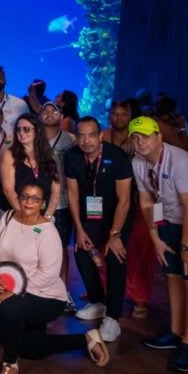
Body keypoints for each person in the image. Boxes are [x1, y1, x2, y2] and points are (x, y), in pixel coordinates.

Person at [0, 182, 110, 374]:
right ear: (18, 198)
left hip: (45, 296)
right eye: (25, 196)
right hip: (12, 286)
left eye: (35, 199)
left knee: (8, 309)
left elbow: (48, 275)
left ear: (42, 203)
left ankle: (10, 363)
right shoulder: (8, 217)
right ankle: (86, 338)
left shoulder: (47, 232)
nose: (29, 202)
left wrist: (14, 292)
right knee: (31, 350)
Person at [131, 117, 188, 372]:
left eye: (146, 136)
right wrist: (156, 239)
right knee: (172, 275)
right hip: (170, 218)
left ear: (159, 137)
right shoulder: (139, 162)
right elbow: (148, 202)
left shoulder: (179, 161)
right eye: (136, 137)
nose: (141, 142)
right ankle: (174, 331)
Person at [65, 116, 133, 341]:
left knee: (115, 257)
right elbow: (73, 194)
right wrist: (79, 229)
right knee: (81, 252)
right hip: (89, 216)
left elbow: (124, 199)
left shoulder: (116, 156)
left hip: (118, 214)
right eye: (81, 135)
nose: (86, 140)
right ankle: (98, 301)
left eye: (91, 135)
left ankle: (113, 318)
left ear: (100, 136)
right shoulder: (72, 157)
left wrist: (115, 234)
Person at [103, 99, 152, 318]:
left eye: (124, 114)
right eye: (115, 113)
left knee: (140, 250)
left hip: (141, 201)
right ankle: (105, 291)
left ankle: (139, 298)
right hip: (111, 201)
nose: (119, 118)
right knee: (105, 244)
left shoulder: (140, 139)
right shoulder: (103, 136)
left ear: (131, 115)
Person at [40, 100, 78, 306]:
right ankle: (40, 291)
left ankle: (63, 291)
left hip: (63, 203)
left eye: (53, 110)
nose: (48, 113)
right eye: (44, 110)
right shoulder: (34, 139)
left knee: (61, 247)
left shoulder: (71, 140)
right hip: (38, 203)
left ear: (61, 115)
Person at [0, 114, 60, 222]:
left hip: (42, 217)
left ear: (37, 131)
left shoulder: (49, 156)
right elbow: (8, 190)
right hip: (16, 215)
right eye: (18, 129)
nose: (21, 133)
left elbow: (55, 192)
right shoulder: (10, 155)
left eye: (26, 129)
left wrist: (47, 216)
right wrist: (27, 217)